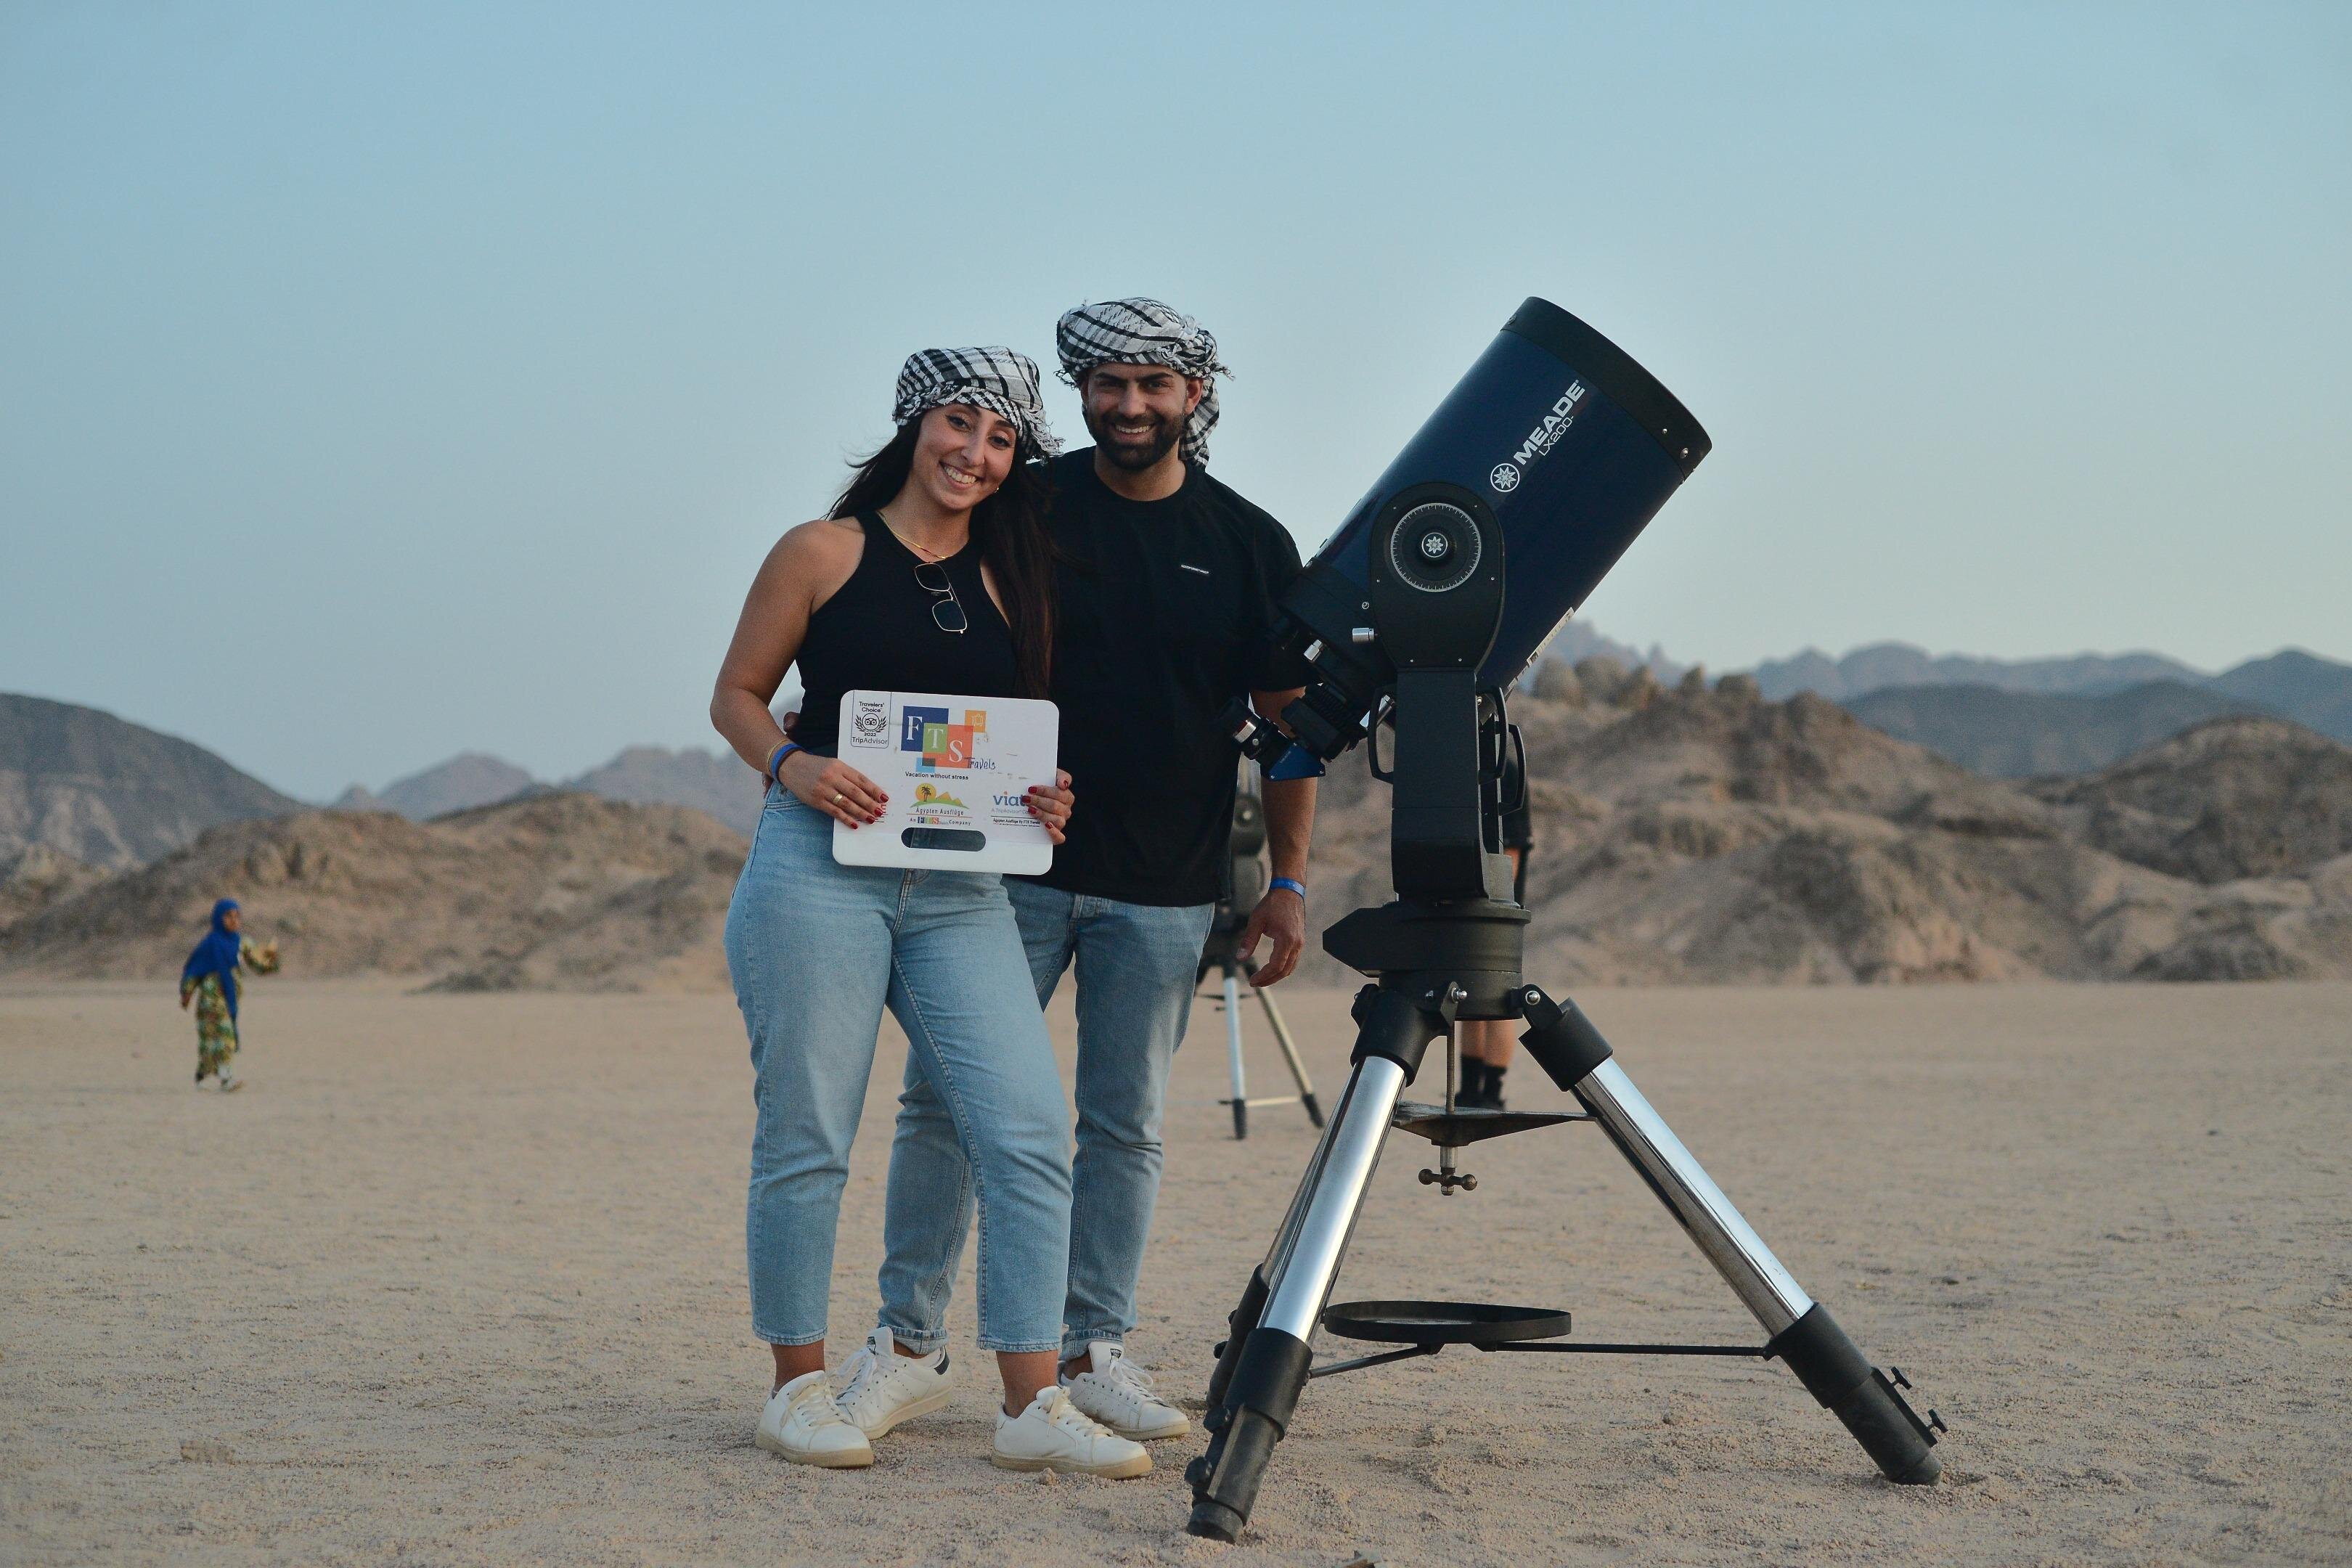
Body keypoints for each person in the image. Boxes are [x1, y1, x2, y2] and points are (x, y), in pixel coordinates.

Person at [867, 299, 1317, 1445]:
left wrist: (1289, 882)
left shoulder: (1250, 544)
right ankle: (908, 1344)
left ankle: (1090, 1349)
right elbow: (918, 614)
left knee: (1124, 1124)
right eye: (1109, 384)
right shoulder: (1026, 506)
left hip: (1167, 884)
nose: (1129, 404)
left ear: (1194, 395)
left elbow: (1289, 729)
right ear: (1081, 392)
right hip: (1003, 871)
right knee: (944, 1103)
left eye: (1153, 385)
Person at [709, 347, 1147, 1479]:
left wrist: (1043, 798)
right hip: (817, 868)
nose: (977, 454)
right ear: (915, 425)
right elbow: (737, 696)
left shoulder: (1017, 580)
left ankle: (1031, 1405)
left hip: (961, 891)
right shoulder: (821, 552)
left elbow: (1009, 743)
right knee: (809, 1131)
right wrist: (794, 767)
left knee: (1028, 1131)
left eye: (1002, 440)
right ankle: (796, 1392)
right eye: (961, 424)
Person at [1458, 749, 1535, 1109]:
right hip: (1464, 898)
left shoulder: (1504, 768)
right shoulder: (1460, 763)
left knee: (1500, 996)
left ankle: (1492, 1091)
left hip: (1498, 904)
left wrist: (1497, 899)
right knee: (1468, 995)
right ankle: (1469, 1089)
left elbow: (1513, 847)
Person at [179, 898, 277, 1092]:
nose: (233, 921)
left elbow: (258, 964)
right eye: (228, 916)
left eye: (237, 916)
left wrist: (271, 959)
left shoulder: (242, 943)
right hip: (210, 1001)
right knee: (223, 1037)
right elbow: (194, 970)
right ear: (218, 918)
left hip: (229, 998)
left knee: (214, 1040)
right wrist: (187, 993)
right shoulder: (210, 944)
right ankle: (226, 1078)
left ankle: (202, 1076)